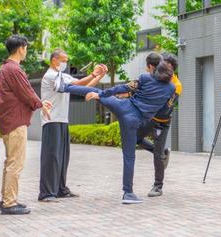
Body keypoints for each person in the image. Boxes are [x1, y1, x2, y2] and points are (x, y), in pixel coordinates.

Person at [57, 54, 175, 204]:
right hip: (134, 121)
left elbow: (123, 87)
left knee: (97, 92)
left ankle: (63, 87)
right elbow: (165, 110)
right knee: (129, 157)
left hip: (123, 106)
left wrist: (102, 95)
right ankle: (128, 193)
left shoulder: (145, 78)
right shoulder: (171, 89)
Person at [38, 49, 107, 202]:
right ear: (54, 60)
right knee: (51, 157)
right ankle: (46, 193)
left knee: (63, 157)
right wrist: (94, 73)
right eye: (63, 60)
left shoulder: (63, 76)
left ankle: (61, 189)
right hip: (51, 120)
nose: (66, 63)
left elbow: (84, 87)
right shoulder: (50, 75)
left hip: (62, 120)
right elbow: (75, 84)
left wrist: (100, 75)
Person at [0, 35, 52, 215]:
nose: (26, 51)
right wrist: (40, 104)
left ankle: (7, 199)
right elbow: (26, 91)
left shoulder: (3, 69)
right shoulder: (14, 69)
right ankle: (10, 203)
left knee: (10, 162)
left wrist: (39, 103)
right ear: (21, 48)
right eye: (25, 48)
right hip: (15, 122)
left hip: (7, 121)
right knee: (15, 163)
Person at [137, 53, 182, 197]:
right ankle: (163, 154)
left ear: (171, 68)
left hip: (162, 122)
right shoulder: (157, 77)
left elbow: (165, 109)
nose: (162, 67)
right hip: (150, 118)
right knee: (136, 138)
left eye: (165, 65)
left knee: (157, 154)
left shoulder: (176, 85)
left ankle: (158, 186)